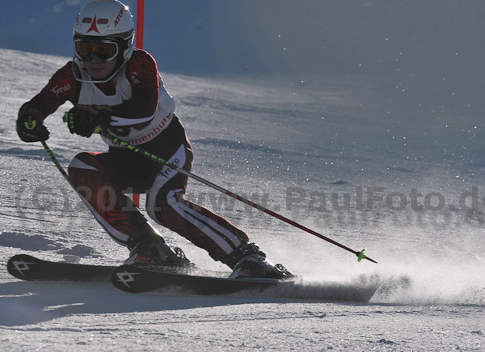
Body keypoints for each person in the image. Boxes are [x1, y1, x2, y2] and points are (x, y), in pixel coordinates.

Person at [15, 0, 291, 279]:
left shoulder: (140, 65)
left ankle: (247, 256)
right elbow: (43, 101)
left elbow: (143, 110)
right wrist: (30, 119)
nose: (93, 61)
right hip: (126, 157)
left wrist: (99, 116)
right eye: (85, 49)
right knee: (83, 167)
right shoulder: (72, 76)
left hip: (166, 149)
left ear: (124, 46)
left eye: (104, 50)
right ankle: (150, 247)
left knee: (164, 206)